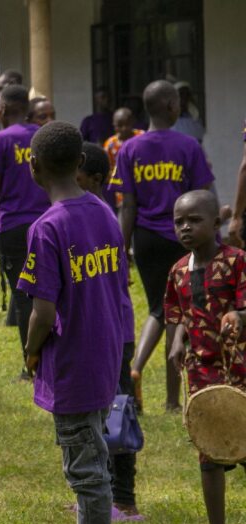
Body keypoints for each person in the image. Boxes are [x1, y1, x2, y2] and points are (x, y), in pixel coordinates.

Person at [19, 121, 129, 524]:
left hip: (74, 365)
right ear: (80, 163)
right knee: (93, 460)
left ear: (34, 166)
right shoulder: (104, 212)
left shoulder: (47, 228)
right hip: (103, 354)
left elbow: (43, 311)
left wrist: (30, 349)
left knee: (87, 473)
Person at [111, 80, 214, 412]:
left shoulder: (129, 149)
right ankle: (171, 400)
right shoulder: (189, 146)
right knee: (180, 313)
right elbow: (205, 198)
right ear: (173, 106)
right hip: (185, 238)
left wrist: (122, 250)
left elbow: (127, 206)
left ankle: (136, 366)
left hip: (145, 240)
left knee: (159, 306)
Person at [166, 190, 246, 524]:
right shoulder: (178, 271)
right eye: (179, 221)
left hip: (239, 368)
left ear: (216, 223)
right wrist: (178, 340)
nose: (185, 227)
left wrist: (238, 317)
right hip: (200, 373)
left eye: (194, 220)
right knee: (208, 453)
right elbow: (179, 314)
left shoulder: (237, 262)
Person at [77, 142, 143, 521]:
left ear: (96, 179)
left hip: (114, 330)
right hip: (102, 327)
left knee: (118, 411)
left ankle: (124, 498)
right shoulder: (89, 213)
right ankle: (102, 494)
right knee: (99, 413)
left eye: (78, 176)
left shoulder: (99, 217)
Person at [0, 84, 51, 373]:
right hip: (46, 223)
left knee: (22, 294)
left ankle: (31, 363)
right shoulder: (42, 135)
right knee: (50, 292)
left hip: (12, 225)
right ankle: (51, 357)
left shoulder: (0, 140)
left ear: (2, 110)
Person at [103, 108, 144, 211]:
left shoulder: (142, 137)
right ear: (114, 125)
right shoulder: (110, 144)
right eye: (120, 125)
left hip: (143, 186)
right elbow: (108, 169)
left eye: (127, 124)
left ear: (133, 122)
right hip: (122, 192)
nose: (124, 128)